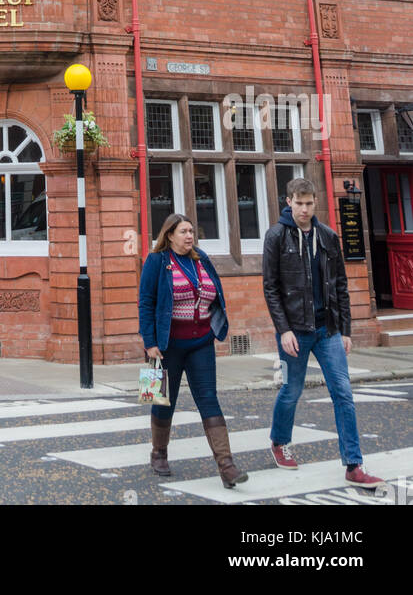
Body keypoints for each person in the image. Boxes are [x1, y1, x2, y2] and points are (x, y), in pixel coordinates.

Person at [263, 176, 382, 489]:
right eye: (298, 203)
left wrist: (345, 330)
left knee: (343, 392)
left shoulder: (328, 236)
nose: (304, 209)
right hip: (295, 332)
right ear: (288, 201)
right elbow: (271, 288)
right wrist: (284, 330)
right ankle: (279, 441)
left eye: (309, 203)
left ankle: (354, 464)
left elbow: (340, 285)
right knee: (291, 389)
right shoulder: (276, 236)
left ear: (315, 203)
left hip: (327, 329)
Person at [139, 212, 247, 489]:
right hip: (166, 346)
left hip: (201, 343)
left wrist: (216, 324)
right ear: (170, 235)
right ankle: (159, 452)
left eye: (191, 232)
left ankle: (227, 465)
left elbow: (214, 293)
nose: (189, 236)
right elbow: (146, 303)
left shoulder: (202, 258)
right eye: (184, 232)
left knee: (209, 400)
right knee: (163, 400)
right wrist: (149, 343)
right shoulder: (157, 261)